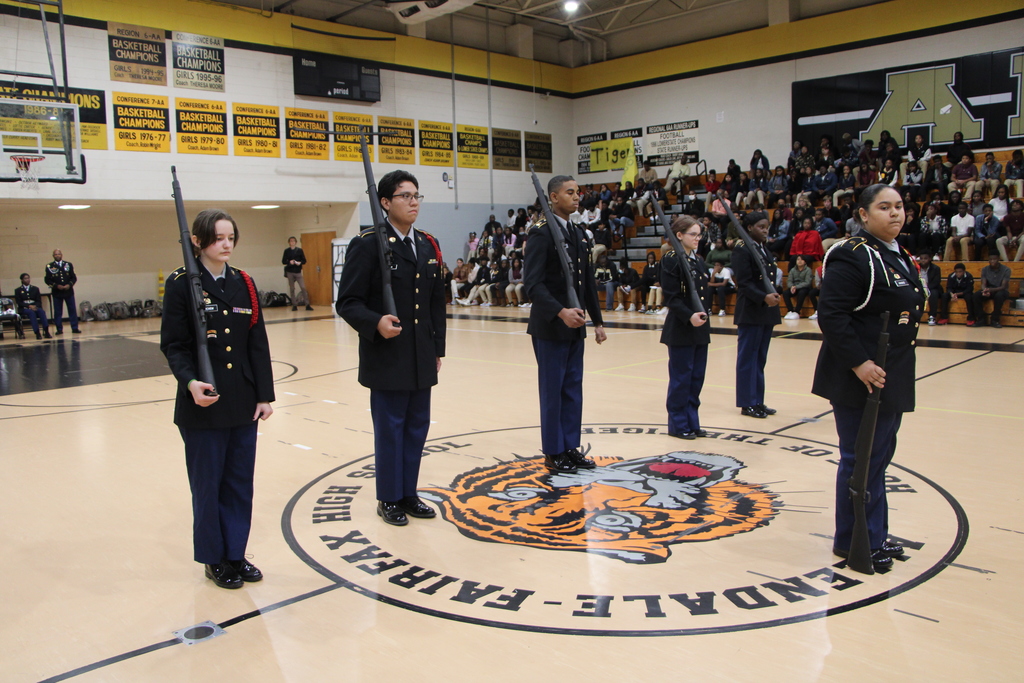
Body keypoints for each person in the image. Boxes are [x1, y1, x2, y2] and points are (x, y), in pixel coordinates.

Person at [160, 208, 275, 589]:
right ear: (198, 242)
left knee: (240, 483)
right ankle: (214, 558)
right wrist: (190, 381)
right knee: (208, 486)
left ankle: (236, 554)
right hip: (203, 404)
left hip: (242, 401)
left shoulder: (244, 282)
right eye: (218, 238)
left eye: (231, 238)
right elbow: (174, 345)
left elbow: (256, 343)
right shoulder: (181, 284)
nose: (226, 245)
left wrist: (264, 396)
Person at [812, 184, 924, 571]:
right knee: (861, 460)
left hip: (889, 371)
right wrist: (859, 363)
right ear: (862, 214)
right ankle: (853, 540)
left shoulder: (898, 254)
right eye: (884, 207)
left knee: (878, 460)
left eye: (899, 207)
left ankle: (874, 534)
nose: (895, 213)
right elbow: (832, 315)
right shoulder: (852, 255)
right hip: (859, 376)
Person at [336, 170, 446, 526]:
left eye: (417, 196)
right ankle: (388, 497)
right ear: (385, 203)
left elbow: (434, 304)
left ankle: (408, 493)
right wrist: (375, 323)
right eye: (405, 196)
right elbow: (348, 302)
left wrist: (438, 348)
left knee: (417, 428)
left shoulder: (427, 243)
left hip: (420, 354)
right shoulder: (368, 244)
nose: (413, 202)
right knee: (390, 429)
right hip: (387, 355)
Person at [524, 175, 606, 474]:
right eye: (569, 192)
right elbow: (532, 285)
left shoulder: (580, 234)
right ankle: (554, 450)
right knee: (553, 390)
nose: (576, 197)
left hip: (576, 326)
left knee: (573, 389)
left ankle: (570, 446)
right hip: (551, 325)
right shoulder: (540, 234)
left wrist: (597, 321)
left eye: (578, 192)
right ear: (553, 197)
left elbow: (585, 282)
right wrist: (560, 312)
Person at [661, 216, 710, 439]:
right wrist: (689, 316)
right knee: (681, 378)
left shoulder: (698, 260)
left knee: (696, 378)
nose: (697, 238)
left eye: (699, 234)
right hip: (681, 327)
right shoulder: (671, 259)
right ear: (679, 235)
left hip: (699, 327)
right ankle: (678, 424)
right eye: (693, 234)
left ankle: (692, 421)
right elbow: (671, 298)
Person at [732, 211, 781, 418]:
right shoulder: (742, 249)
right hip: (752, 310)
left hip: (765, 312)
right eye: (761, 226)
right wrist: (763, 297)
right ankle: (747, 402)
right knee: (748, 359)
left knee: (760, 359)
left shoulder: (762, 248)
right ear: (750, 228)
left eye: (766, 226)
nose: (765, 230)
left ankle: (757, 400)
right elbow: (744, 283)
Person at [44, 249, 80, 335]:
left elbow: (73, 277)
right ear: (53, 256)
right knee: (58, 311)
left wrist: (69, 285)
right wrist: (56, 286)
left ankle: (74, 328)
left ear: (61, 255)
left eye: (59, 254)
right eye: (55, 254)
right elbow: (47, 279)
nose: (57, 256)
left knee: (72, 310)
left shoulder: (68, 264)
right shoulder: (49, 266)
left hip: (68, 291)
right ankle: (59, 329)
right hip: (57, 292)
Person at [969, 254, 1011, 328]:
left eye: (994, 259)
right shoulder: (985, 269)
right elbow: (983, 283)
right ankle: (981, 319)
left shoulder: (1006, 270)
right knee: (976, 295)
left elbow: (1003, 286)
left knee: (999, 296)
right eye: (990, 259)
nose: (992, 261)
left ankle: (995, 320)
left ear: (998, 259)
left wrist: (991, 290)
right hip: (989, 289)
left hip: (1001, 290)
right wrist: (984, 290)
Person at [281, 236, 315, 311]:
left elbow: (304, 260)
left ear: (296, 242)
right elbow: (283, 261)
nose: (292, 242)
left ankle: (307, 304)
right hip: (290, 271)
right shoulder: (286, 251)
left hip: (298, 271)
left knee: (303, 287)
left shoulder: (299, 250)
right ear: (289, 243)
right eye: (291, 241)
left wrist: (299, 263)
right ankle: (294, 304)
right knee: (292, 288)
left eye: (293, 241)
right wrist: (289, 262)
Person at [14, 273, 51, 339]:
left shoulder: (35, 289)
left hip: (35, 307)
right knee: (31, 313)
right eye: (25, 278)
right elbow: (19, 302)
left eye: (28, 278)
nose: (27, 280)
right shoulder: (18, 290)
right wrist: (29, 306)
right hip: (24, 308)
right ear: (22, 280)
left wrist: (35, 306)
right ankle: (37, 332)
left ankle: (46, 331)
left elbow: (38, 301)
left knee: (41, 312)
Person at [782, 255, 817, 320]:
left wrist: (796, 287)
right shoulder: (793, 270)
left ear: (805, 262)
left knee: (802, 292)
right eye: (798, 259)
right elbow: (789, 281)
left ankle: (797, 311)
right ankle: (790, 311)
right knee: (785, 293)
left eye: (801, 260)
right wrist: (791, 286)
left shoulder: (808, 270)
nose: (799, 261)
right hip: (794, 287)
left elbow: (807, 282)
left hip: (804, 288)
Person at [917, 251, 943, 325]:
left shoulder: (936, 268)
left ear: (930, 259)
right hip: (920, 287)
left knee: (934, 294)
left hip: (932, 287)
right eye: (921, 258)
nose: (923, 260)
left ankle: (932, 316)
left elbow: (936, 282)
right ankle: (916, 315)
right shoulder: (916, 268)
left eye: (925, 258)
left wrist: (926, 288)